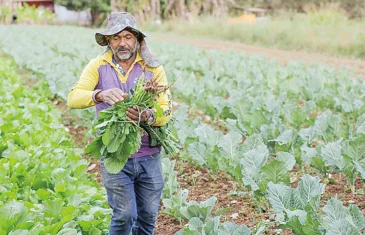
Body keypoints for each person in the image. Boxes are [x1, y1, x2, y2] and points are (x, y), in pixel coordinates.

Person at [67, 12, 172, 235]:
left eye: (127, 37)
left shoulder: (153, 68)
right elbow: (73, 98)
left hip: (149, 155)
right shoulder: (98, 65)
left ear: (137, 39)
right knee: (124, 216)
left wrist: (147, 116)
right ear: (108, 41)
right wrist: (100, 95)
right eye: (115, 38)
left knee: (147, 218)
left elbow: (167, 110)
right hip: (115, 155)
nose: (122, 43)